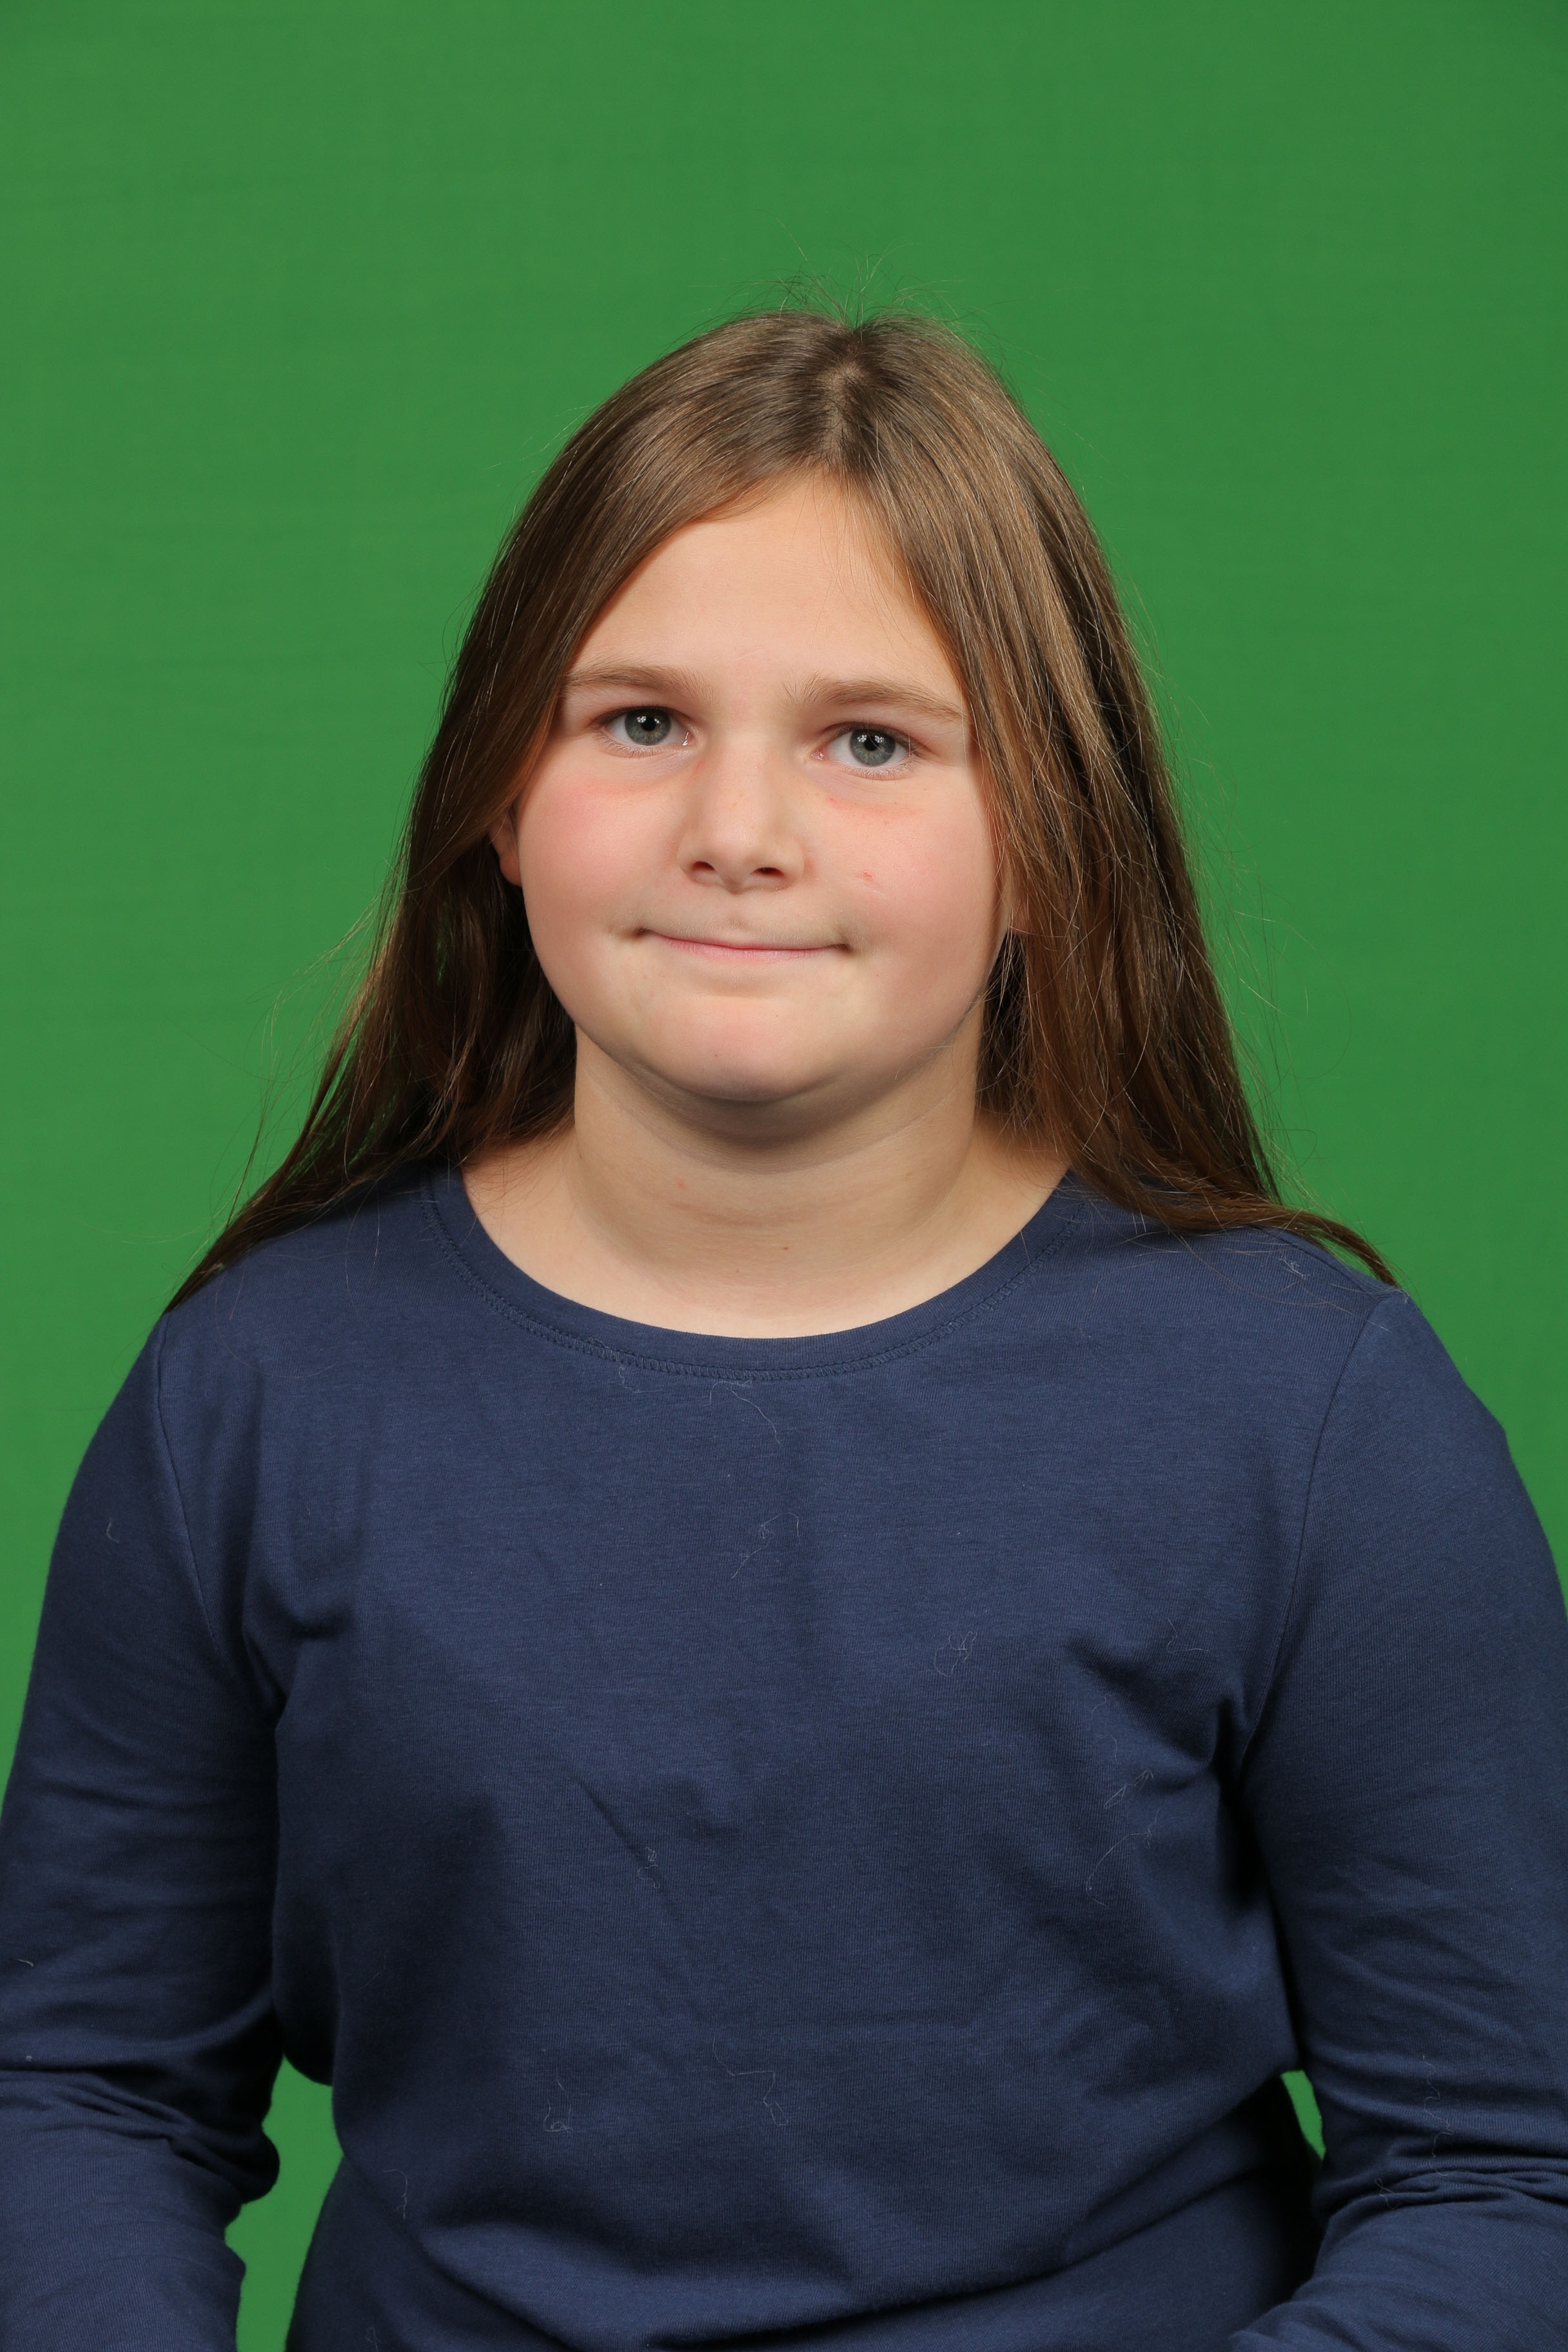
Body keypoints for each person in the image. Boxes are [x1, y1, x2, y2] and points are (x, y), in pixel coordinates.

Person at [0, 305, 1563, 2352]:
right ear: (499, 796)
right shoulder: (257, 1394)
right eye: (639, 721)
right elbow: (88, 2092)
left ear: (1051, 840)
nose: (738, 829)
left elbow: (1505, 2172)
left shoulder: (1315, 1418)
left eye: (873, 742)